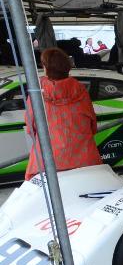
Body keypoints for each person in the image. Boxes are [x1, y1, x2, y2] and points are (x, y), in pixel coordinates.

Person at [24, 48, 102, 180]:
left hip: (48, 160)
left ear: (46, 68)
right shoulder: (80, 89)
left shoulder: (37, 92)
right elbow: (92, 123)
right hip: (85, 157)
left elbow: (30, 127)